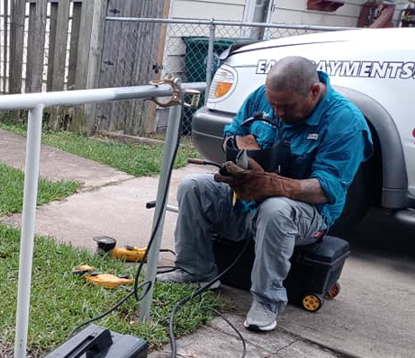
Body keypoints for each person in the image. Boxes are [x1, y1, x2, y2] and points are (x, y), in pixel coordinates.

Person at [158, 56, 372, 332]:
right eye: (273, 105)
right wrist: (245, 155)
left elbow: (327, 188)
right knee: (194, 187)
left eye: (286, 107)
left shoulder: (346, 122)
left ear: (314, 91)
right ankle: (196, 271)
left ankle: (266, 301)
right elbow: (233, 133)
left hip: (307, 215)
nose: (277, 112)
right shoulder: (263, 96)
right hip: (249, 200)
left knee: (275, 208)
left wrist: (271, 184)